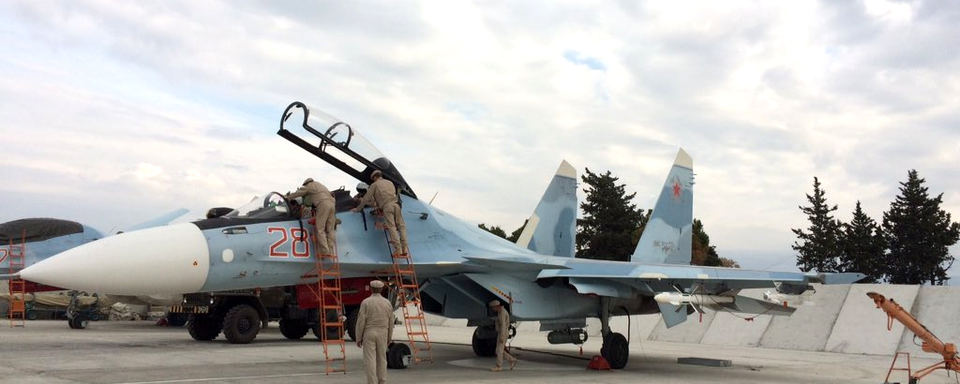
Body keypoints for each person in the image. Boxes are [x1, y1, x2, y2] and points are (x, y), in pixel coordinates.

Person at [351, 170, 409, 255]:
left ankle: (398, 249)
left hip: (387, 207)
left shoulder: (374, 185)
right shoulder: (390, 183)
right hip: (396, 205)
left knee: (392, 227)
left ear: (374, 177)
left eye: (373, 179)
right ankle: (405, 248)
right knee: (401, 226)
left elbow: (366, 198)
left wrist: (358, 209)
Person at [355, 280, 395, 384]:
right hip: (383, 332)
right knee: (382, 359)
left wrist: (358, 337)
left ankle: (371, 382)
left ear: (371, 289)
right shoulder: (387, 303)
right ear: (381, 289)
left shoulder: (366, 302)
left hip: (369, 332)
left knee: (370, 359)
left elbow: (361, 321)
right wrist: (389, 337)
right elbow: (391, 322)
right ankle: (382, 381)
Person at [285, 178, 337, 255]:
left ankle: (325, 251)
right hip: (332, 204)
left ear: (306, 183)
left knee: (320, 228)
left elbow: (298, 193)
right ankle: (330, 249)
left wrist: (287, 198)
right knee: (330, 228)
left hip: (323, 205)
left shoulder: (310, 185)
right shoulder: (320, 185)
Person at [489, 300, 517, 372]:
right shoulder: (501, 312)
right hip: (502, 332)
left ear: (496, 306)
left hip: (503, 333)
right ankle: (511, 360)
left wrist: (501, 336)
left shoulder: (502, 313)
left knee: (499, 350)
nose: (493, 309)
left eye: (493, 307)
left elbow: (503, 326)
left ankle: (499, 366)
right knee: (498, 350)